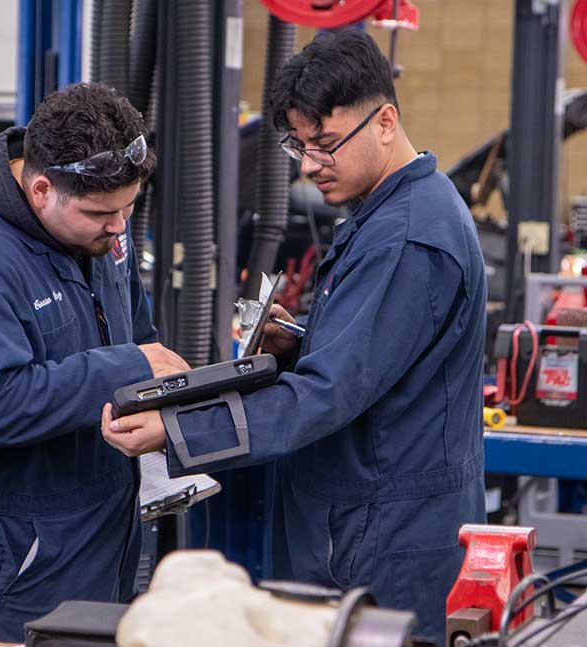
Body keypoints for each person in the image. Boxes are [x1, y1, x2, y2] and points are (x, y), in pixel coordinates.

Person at [101, 30, 487, 644]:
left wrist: (178, 432)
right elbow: (374, 362)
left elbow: (328, 394)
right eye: (298, 145)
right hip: (364, 519)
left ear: (385, 121)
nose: (308, 165)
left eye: (326, 145)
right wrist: (302, 342)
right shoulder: (385, 212)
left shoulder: (408, 239)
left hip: (380, 541)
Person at [0, 82, 188, 642]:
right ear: (42, 188)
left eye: (129, 207)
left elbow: (137, 338)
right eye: (102, 212)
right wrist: (125, 370)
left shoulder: (96, 238)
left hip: (92, 542)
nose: (119, 226)